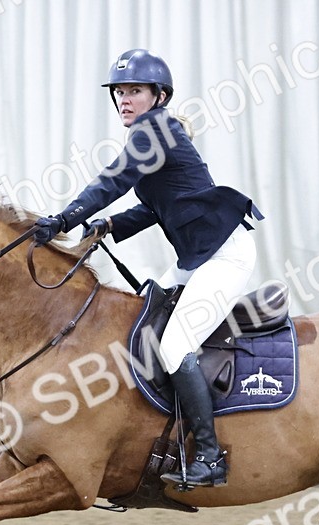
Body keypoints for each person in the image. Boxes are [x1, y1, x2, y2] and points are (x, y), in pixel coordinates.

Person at [33, 49, 263, 488]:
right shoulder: (154, 134)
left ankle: (212, 457)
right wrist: (109, 224)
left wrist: (66, 218)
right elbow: (154, 206)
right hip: (199, 259)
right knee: (148, 323)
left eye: (134, 91)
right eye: (120, 92)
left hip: (224, 256)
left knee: (174, 347)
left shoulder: (155, 130)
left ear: (158, 96)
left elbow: (112, 180)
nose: (125, 99)